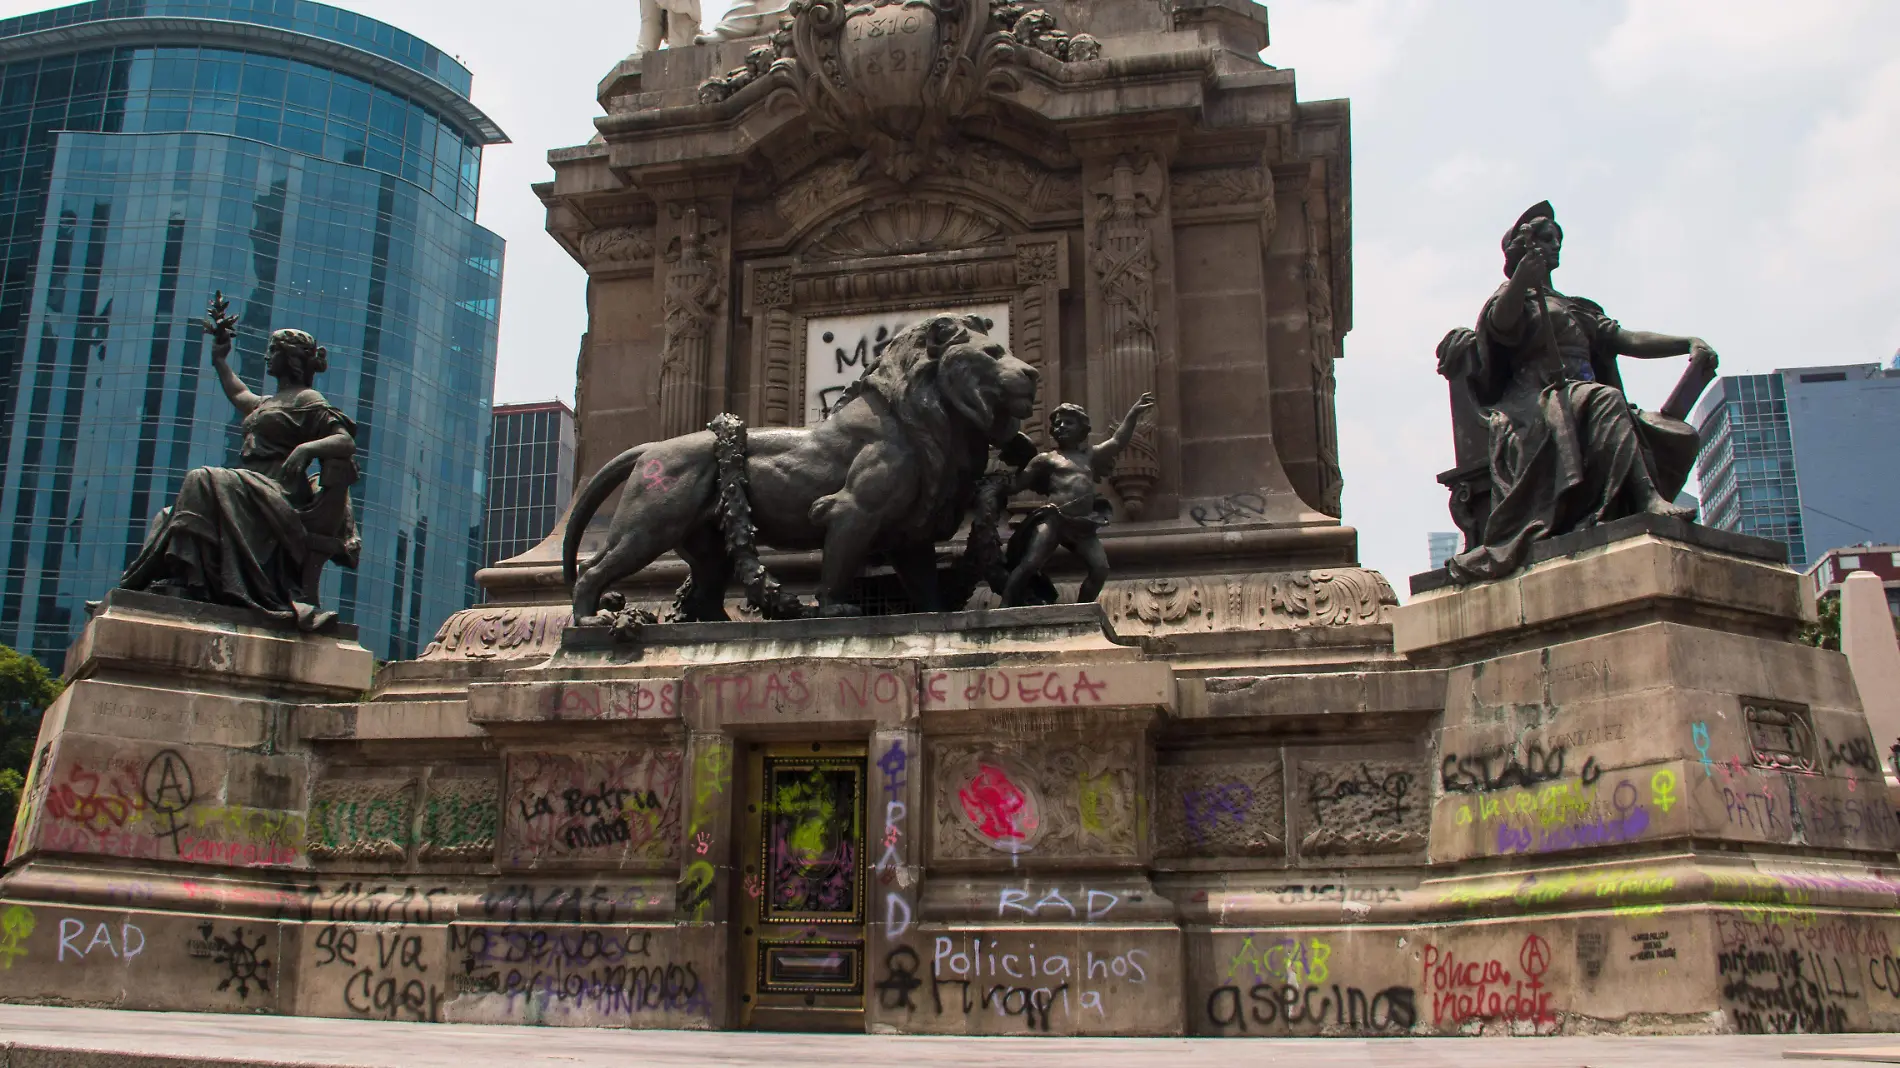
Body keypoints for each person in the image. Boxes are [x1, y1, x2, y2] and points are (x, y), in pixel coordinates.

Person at [1449, 202, 1716, 583]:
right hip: (1535, 398)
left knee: (1677, 433)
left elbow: (1626, 339)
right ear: (1521, 249)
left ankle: (1614, 503)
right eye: (1545, 239)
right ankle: (1647, 499)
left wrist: (1684, 343)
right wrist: (1523, 280)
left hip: (1583, 397)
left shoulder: (1578, 307)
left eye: (1558, 239)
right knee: (1605, 399)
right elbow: (1500, 325)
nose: (1555, 245)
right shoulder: (1514, 299)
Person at [118, 293, 361, 631]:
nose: (267, 356)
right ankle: (183, 579)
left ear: (290, 359)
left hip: (279, 491)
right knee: (167, 516)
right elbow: (238, 393)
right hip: (249, 488)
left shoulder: (308, 399)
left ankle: (196, 582)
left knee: (202, 478)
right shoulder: (268, 401)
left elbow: (344, 440)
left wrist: (305, 449)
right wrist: (220, 361)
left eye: (274, 351)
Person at [1000, 393, 1157, 607]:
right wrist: (996, 484)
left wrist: (1133, 413)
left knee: (1100, 569)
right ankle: (1005, 604)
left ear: (1082, 429)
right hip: (1054, 520)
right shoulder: (1046, 460)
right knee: (1030, 563)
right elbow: (1018, 484)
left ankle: (1082, 608)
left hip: (1082, 524)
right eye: (1057, 423)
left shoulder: (1090, 456)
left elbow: (1118, 441)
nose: (1061, 426)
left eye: (1069, 422)